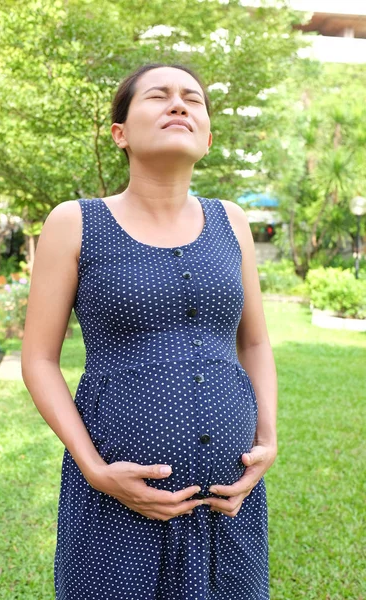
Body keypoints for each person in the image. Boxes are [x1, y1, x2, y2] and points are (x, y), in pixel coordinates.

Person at [21, 61, 278, 600]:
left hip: (229, 498)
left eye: (193, 99)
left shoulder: (232, 221)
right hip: (116, 500)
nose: (179, 104)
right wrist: (94, 469)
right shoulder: (75, 222)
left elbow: (253, 341)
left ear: (206, 137)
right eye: (158, 96)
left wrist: (268, 440)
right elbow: (40, 358)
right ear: (121, 134)